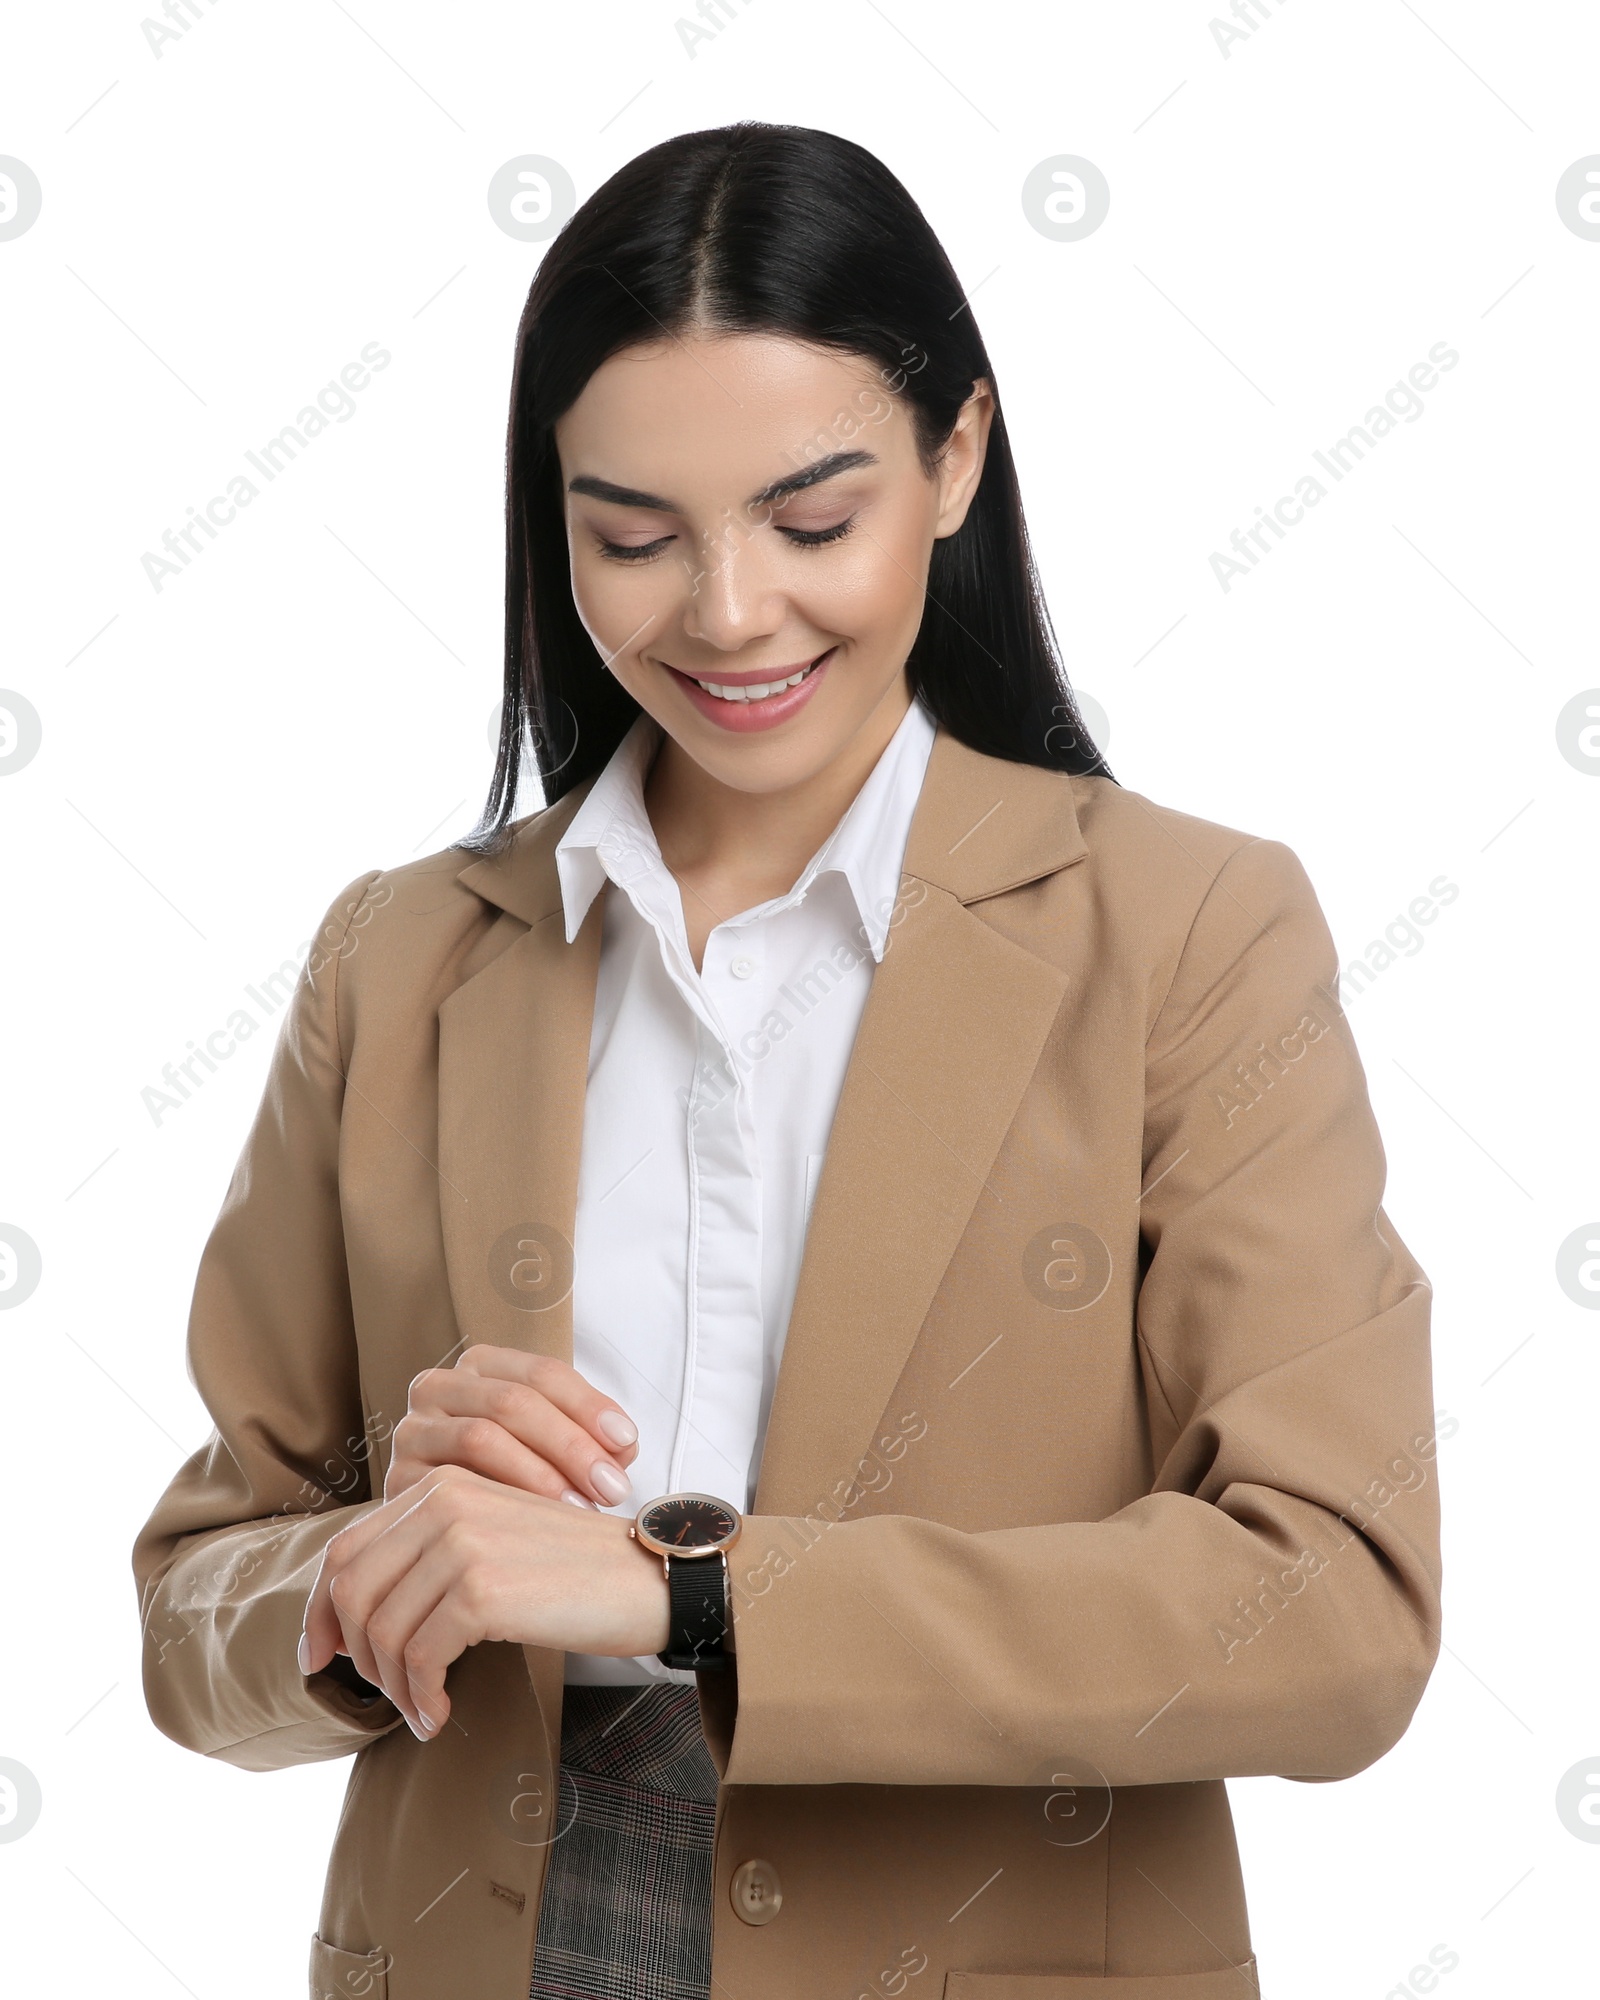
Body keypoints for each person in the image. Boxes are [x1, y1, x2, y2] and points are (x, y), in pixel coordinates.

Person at [132, 122, 1442, 2000]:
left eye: (811, 520)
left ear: (958, 458)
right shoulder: (399, 955)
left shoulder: (1190, 932)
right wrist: (361, 1577)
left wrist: (691, 1593)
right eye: (629, 537)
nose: (729, 614)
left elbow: (1336, 1610)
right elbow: (199, 1597)